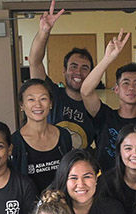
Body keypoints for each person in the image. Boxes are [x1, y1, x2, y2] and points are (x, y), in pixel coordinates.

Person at [80, 30, 136, 171]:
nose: (131, 88)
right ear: (116, 89)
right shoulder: (105, 116)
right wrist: (108, 59)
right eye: (125, 83)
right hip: (105, 185)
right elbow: (86, 91)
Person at [28, 0, 96, 149]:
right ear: (64, 71)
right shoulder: (52, 94)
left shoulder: (95, 106)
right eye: (73, 66)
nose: (78, 72)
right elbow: (35, 62)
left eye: (85, 68)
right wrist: (44, 32)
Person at [11, 78, 74, 192]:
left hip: (62, 205)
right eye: (31, 99)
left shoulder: (64, 136)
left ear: (50, 103)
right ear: (22, 105)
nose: (38, 104)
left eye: (43, 99)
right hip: (30, 207)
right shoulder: (14, 142)